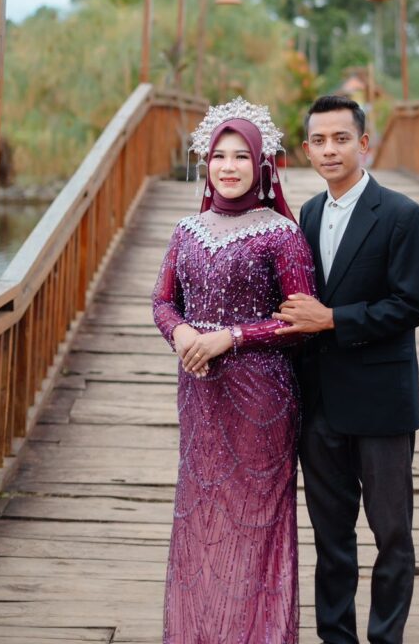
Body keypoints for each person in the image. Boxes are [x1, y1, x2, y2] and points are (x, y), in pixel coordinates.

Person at [151, 98, 316, 644]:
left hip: (261, 394)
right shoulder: (186, 230)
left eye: (241, 156)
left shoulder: (282, 234)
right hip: (199, 391)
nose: (228, 167)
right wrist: (181, 334)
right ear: (206, 162)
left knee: (256, 516)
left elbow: (300, 321)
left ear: (262, 163)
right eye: (219, 156)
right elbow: (162, 301)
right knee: (201, 510)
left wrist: (233, 336)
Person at [274, 95, 419, 644]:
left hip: (382, 404)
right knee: (332, 540)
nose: (330, 150)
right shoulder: (308, 214)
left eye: (341, 139)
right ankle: (335, 637)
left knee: (393, 536)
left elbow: (411, 305)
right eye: (318, 141)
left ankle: (386, 637)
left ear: (363, 144)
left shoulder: (402, 215)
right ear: (306, 150)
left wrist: (332, 319)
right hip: (321, 406)